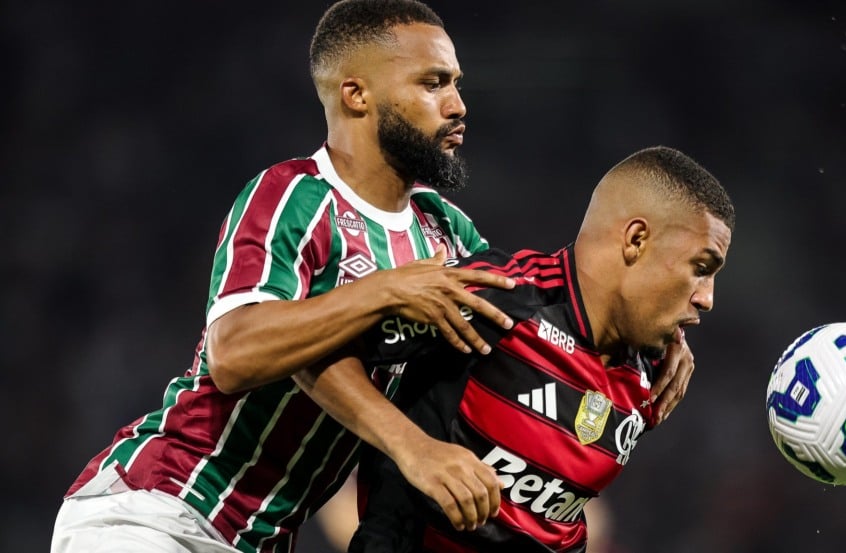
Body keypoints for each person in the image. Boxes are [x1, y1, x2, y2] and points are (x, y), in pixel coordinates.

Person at [50, 1, 518, 551]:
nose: (458, 105)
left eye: (456, 84)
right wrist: (387, 293)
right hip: (160, 512)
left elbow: (535, 320)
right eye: (433, 83)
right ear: (357, 95)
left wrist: (641, 349)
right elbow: (235, 353)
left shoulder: (447, 233)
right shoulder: (294, 195)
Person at [295, 145, 735, 552]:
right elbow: (311, 348)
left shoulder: (653, 375)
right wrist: (412, 446)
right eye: (702, 267)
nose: (708, 298)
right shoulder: (497, 297)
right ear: (636, 240)